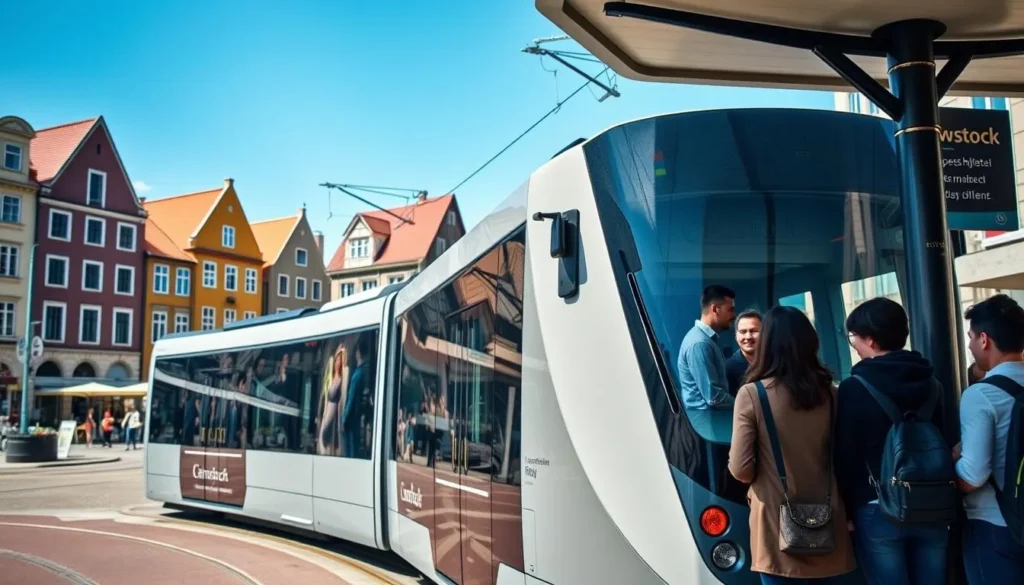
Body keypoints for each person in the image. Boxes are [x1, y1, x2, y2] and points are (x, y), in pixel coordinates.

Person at [729, 306, 855, 584]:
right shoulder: (832, 394)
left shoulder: (752, 394)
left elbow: (741, 469)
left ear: (767, 345)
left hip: (776, 526)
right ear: (811, 343)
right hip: (830, 520)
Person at [834, 297, 949, 585]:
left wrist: (846, 511)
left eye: (854, 338)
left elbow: (845, 457)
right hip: (934, 504)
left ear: (870, 340)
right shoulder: (932, 383)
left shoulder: (854, 388)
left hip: (877, 507)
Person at [954, 294, 1024, 584]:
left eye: (970, 337)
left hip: (997, 524)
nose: (969, 346)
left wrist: (952, 459)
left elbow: (973, 476)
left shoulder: (981, 394)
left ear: (984, 339)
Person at [678, 285, 736, 410]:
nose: (733, 315)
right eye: (730, 310)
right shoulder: (700, 343)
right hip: (707, 425)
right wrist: (748, 406)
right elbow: (714, 397)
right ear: (715, 309)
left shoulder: (706, 340)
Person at [727, 310, 761, 395]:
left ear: (765, 333)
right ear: (736, 336)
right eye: (743, 332)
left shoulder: (776, 362)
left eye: (754, 331)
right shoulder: (728, 368)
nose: (748, 337)